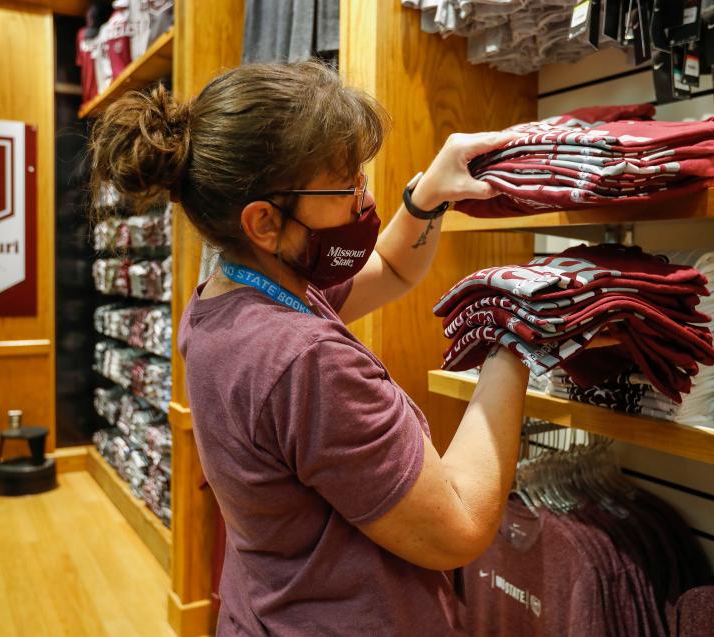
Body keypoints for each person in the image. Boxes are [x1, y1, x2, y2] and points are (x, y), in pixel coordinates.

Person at [89, 60, 532, 636]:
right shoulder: (304, 360)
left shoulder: (234, 299)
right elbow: (461, 526)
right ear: (264, 222)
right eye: (346, 186)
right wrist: (516, 336)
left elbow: (393, 267)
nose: (362, 200)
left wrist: (426, 198)